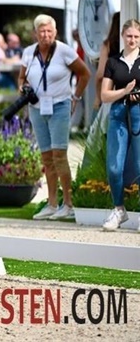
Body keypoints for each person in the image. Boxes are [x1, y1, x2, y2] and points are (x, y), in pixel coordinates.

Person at [18, 15, 91, 221]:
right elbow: (22, 77)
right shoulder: (28, 53)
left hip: (59, 105)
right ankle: (51, 204)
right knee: (47, 158)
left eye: (49, 31)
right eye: (42, 31)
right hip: (37, 108)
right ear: (35, 33)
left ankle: (68, 203)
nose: (46, 35)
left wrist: (75, 97)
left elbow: (85, 74)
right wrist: (22, 88)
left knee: (59, 155)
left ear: (55, 32)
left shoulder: (64, 51)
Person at [99, 19, 140, 231]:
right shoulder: (114, 62)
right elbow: (104, 94)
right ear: (123, 36)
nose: (132, 40)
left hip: (139, 113)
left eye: (136, 36)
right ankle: (119, 209)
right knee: (114, 167)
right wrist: (124, 91)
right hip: (118, 112)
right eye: (129, 36)